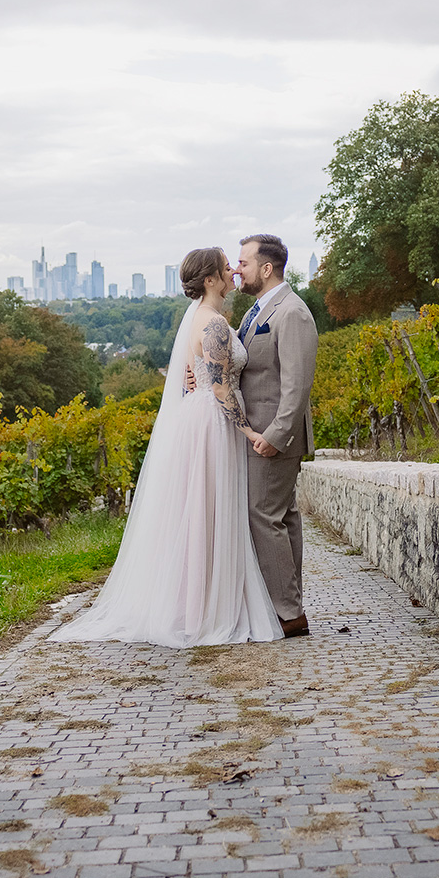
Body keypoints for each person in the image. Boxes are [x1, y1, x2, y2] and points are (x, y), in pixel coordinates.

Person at [49, 247, 283, 648]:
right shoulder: (210, 324)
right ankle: (203, 611)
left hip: (207, 417)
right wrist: (248, 432)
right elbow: (221, 386)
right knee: (206, 513)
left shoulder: (206, 319)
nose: (232, 270)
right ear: (210, 280)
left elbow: (200, 375)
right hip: (215, 424)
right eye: (226, 266)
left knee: (203, 513)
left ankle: (200, 606)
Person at [230, 233, 318, 637]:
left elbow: (296, 385)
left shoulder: (292, 313)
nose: (237, 269)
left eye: (244, 263)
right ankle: (286, 605)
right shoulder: (257, 311)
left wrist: (276, 435)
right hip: (259, 434)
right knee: (281, 517)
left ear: (267, 269)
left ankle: (288, 613)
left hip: (271, 437)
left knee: (265, 516)